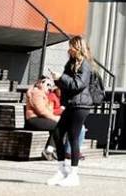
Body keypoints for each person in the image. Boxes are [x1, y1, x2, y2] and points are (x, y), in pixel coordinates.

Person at [47, 36, 96, 187]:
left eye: (71, 46)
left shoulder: (85, 65)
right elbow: (66, 85)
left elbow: (78, 84)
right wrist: (57, 79)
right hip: (70, 104)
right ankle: (62, 170)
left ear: (78, 47)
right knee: (57, 133)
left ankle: (74, 174)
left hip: (81, 105)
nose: (69, 49)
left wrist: (61, 77)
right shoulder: (71, 63)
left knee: (73, 137)